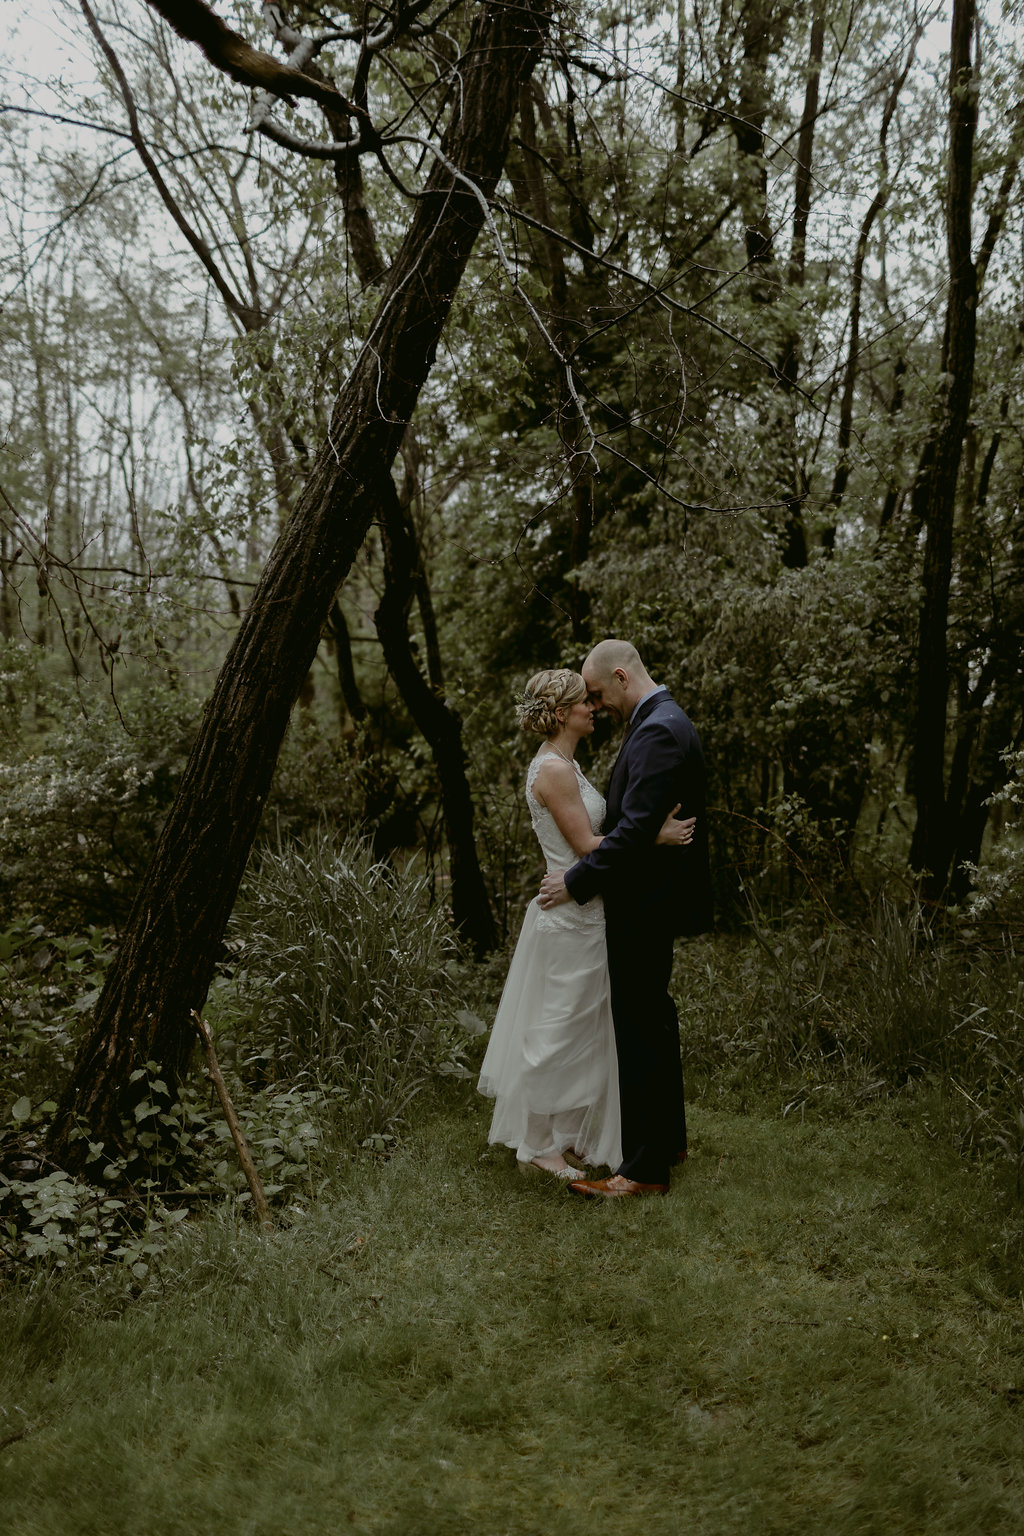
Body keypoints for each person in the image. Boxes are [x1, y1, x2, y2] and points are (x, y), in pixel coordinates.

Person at [478, 668, 694, 1180]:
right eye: (584, 702)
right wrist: (654, 837)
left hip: (586, 908)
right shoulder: (552, 770)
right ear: (560, 714)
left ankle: (568, 1132)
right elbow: (584, 847)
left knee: (583, 1030)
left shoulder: (566, 764)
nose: (592, 708)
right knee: (556, 1030)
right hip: (569, 913)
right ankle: (535, 1144)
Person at [538, 640, 711, 1198]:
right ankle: (667, 1143)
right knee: (653, 1021)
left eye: (597, 694)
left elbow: (633, 832)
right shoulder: (662, 719)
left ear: (619, 676)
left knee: (640, 1029)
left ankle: (642, 1171)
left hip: (644, 902)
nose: (597, 705)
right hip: (649, 897)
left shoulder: (659, 728)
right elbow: (636, 824)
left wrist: (574, 882)